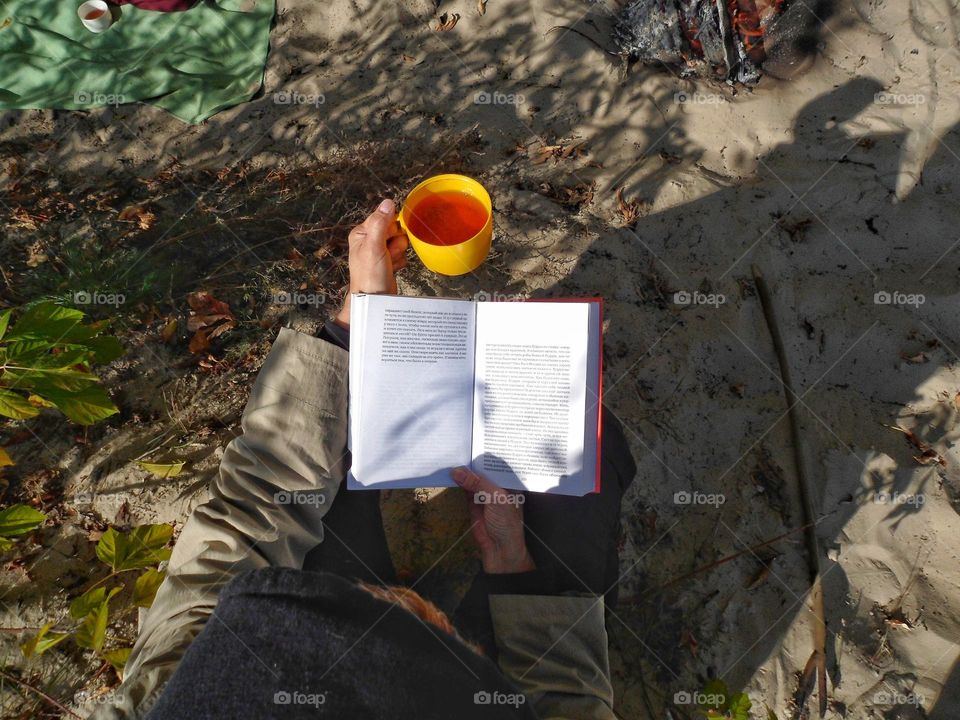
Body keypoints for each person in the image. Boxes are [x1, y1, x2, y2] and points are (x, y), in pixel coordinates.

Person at [91, 199, 637, 720]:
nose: (400, 607)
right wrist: (514, 569)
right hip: (484, 686)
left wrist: (353, 330)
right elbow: (568, 703)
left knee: (339, 433)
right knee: (589, 448)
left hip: (313, 607)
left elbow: (249, 519)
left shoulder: (182, 694)